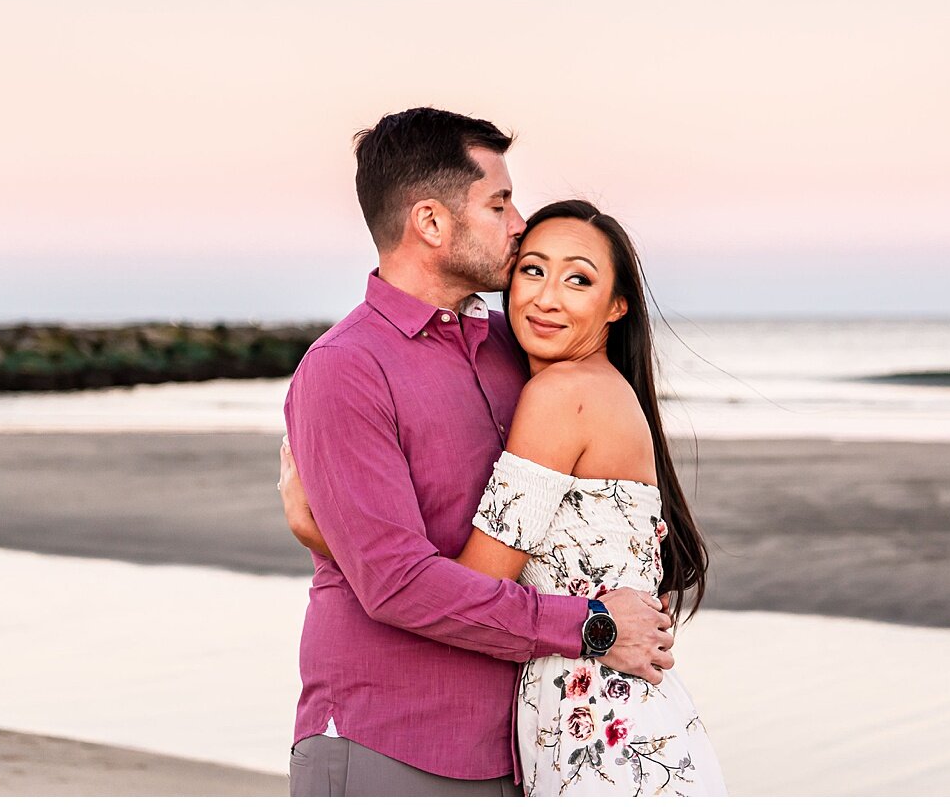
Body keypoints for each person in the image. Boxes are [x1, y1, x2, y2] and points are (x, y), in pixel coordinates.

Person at [278, 108, 676, 797]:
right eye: (499, 203)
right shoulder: (346, 369)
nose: (519, 222)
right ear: (431, 223)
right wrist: (596, 625)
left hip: (527, 746)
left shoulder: (518, 346)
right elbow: (397, 585)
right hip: (391, 738)